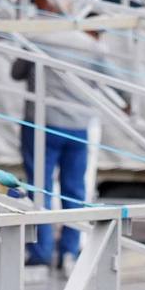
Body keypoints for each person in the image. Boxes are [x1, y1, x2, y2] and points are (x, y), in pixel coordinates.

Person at [10, 25, 126, 272]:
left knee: (39, 188)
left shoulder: (39, 37)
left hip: (42, 123)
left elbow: (17, 72)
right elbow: (116, 81)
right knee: (74, 190)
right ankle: (69, 253)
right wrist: (129, 104)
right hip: (77, 126)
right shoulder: (92, 47)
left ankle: (40, 251)